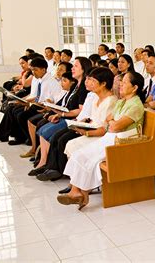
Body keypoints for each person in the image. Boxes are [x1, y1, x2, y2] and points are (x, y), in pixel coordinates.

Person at [57, 71, 145, 209]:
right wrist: (113, 121)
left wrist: (113, 121)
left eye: (125, 82)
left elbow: (115, 126)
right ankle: (77, 192)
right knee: (80, 154)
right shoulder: (122, 102)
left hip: (123, 142)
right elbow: (108, 120)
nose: (120, 84)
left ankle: (82, 193)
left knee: (90, 158)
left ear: (134, 88)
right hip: (112, 137)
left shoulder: (136, 105)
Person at [38, 67, 117, 182]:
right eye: (88, 79)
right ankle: (56, 169)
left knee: (67, 141)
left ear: (104, 83)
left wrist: (86, 130)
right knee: (59, 136)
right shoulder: (96, 97)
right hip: (89, 126)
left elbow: (104, 126)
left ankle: (72, 177)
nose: (88, 82)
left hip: (99, 134)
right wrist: (84, 122)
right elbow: (93, 116)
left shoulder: (110, 101)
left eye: (93, 80)